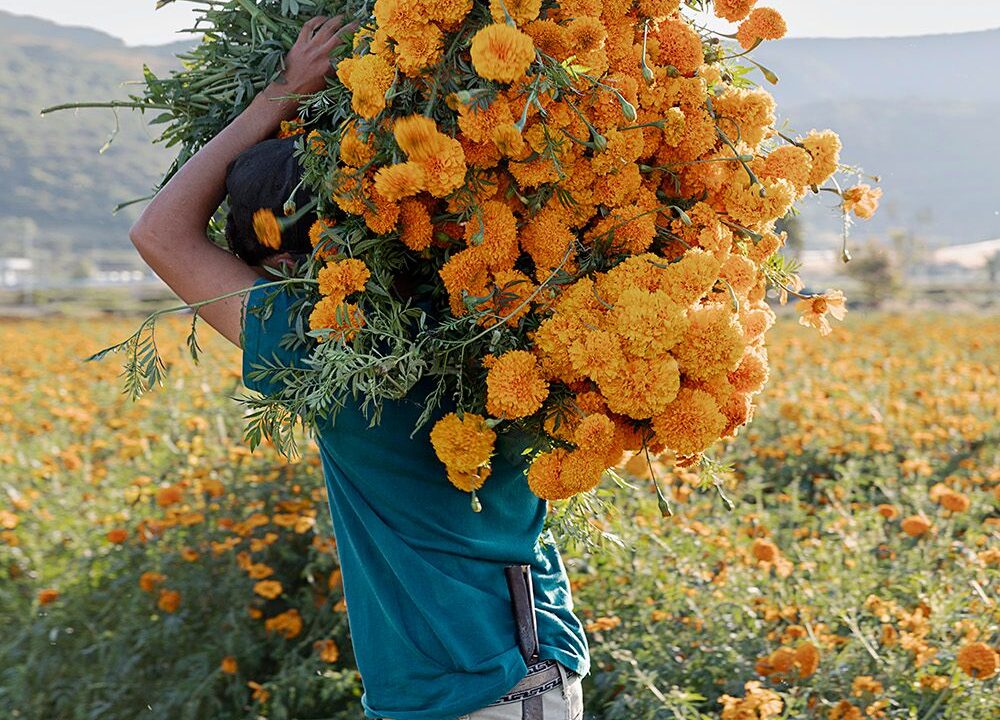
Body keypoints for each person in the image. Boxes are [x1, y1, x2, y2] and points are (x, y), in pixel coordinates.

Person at [128, 14, 590, 720]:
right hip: (494, 680)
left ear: (281, 263)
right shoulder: (499, 307)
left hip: (488, 687)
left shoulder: (321, 347)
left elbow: (159, 232)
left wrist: (280, 95)